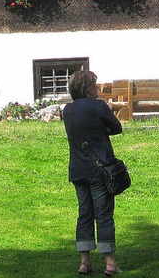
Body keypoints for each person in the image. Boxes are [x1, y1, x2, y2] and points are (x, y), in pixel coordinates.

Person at [63, 70, 124, 276]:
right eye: (94, 86)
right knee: (104, 214)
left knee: (84, 214)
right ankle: (110, 263)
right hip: (99, 170)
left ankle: (84, 261)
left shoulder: (67, 110)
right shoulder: (99, 106)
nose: (97, 89)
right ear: (86, 88)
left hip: (78, 169)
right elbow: (117, 127)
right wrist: (101, 132)